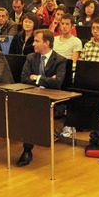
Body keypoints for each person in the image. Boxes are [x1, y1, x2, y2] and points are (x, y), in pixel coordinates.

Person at [18, 29, 67, 166]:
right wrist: (47, 79)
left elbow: (58, 83)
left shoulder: (60, 60)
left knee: (31, 112)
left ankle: (27, 150)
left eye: (37, 41)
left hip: (51, 98)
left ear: (47, 43)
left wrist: (37, 78)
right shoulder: (31, 57)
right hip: (32, 95)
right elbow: (24, 78)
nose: (33, 44)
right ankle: (27, 147)